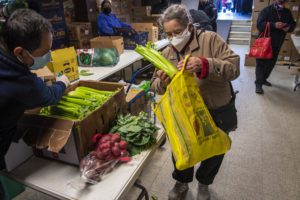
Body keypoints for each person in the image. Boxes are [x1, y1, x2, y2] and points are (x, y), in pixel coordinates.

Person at [151, 4, 239, 200]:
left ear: (189, 26)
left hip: (214, 109)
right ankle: (181, 181)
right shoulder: (167, 53)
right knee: (182, 148)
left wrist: (206, 64)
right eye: (169, 34)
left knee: (214, 150)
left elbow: (234, 68)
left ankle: (205, 183)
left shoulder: (210, 40)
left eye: (178, 32)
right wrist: (162, 84)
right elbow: (153, 85)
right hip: (184, 113)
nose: (174, 38)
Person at [0, 9, 69, 198]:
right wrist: (63, 83)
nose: (49, 57)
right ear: (20, 52)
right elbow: (48, 96)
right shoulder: (20, 82)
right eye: (45, 52)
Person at [255, 0, 296, 94]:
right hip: (264, 42)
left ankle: (263, 79)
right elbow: (259, 25)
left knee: (271, 64)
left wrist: (288, 27)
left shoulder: (287, 12)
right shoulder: (267, 10)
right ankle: (258, 84)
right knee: (261, 63)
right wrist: (274, 25)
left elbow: (292, 24)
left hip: (277, 43)